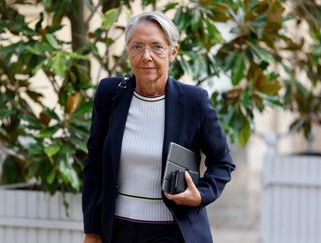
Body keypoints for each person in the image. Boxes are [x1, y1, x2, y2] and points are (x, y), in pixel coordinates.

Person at [82, 11, 235, 243]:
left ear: (173, 52)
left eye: (157, 47)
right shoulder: (109, 94)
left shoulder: (194, 102)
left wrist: (200, 194)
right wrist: (92, 231)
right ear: (128, 51)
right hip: (118, 230)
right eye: (137, 47)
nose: (146, 56)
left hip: (173, 232)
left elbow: (222, 162)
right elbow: (94, 165)